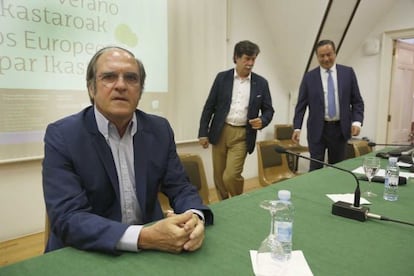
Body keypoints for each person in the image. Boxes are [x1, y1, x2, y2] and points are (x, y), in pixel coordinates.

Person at [42, 46, 213, 255]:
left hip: (153, 249)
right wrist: (145, 237)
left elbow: (180, 187)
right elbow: (68, 217)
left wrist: (193, 217)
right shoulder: (63, 136)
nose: (121, 85)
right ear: (91, 88)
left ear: (140, 90)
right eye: (109, 77)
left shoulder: (159, 130)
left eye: (131, 78)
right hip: (87, 250)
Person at [198, 40, 274, 200]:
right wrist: (203, 133)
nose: (250, 63)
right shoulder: (222, 78)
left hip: (242, 135)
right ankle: (224, 206)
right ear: (236, 58)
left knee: (230, 176)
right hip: (220, 131)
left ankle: (238, 199)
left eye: (253, 59)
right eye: (247, 58)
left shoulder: (261, 83)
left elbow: (269, 110)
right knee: (218, 177)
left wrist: (263, 120)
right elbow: (209, 106)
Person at [292, 39, 364, 171]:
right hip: (317, 130)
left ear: (335, 54)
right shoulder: (309, 77)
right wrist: (297, 127)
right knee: (315, 168)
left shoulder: (347, 73)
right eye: (322, 56)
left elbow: (357, 101)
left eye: (329, 54)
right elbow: (301, 105)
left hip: (340, 130)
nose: (326, 59)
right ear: (317, 57)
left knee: (337, 169)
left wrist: (357, 122)